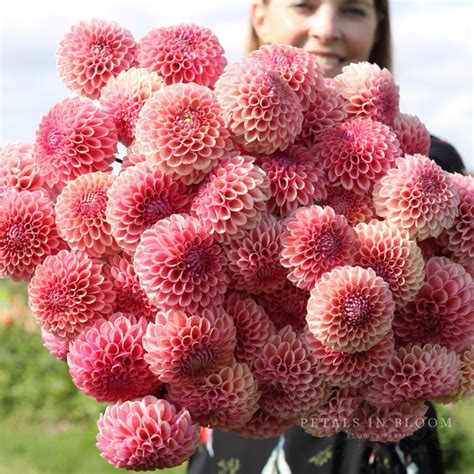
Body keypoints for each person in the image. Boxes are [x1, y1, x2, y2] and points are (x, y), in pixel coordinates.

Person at [187, 1, 467, 473]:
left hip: (378, 434)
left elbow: (454, 311)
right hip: (243, 424)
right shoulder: (211, 148)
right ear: (260, 14)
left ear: (379, 26)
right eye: (305, 5)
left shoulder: (431, 163)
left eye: (353, 10)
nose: (326, 29)